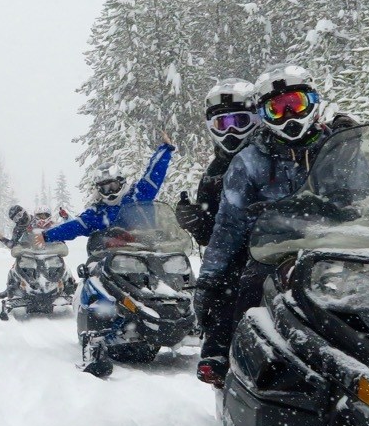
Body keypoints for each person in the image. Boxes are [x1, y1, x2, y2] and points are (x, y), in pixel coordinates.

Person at [194, 64, 353, 386]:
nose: (289, 116)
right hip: (274, 252)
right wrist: (208, 281)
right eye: (277, 109)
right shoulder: (251, 160)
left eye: (295, 105)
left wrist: (353, 141)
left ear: (313, 102)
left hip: (340, 244)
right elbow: (227, 225)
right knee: (248, 287)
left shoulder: (335, 146)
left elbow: (367, 193)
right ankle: (237, 363)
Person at [40, 137, 175, 248]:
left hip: (150, 250)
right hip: (117, 261)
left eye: (112, 185)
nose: (109, 191)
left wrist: (165, 150)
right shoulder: (98, 212)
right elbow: (75, 226)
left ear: (121, 181)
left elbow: (154, 175)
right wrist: (47, 235)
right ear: (98, 190)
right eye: (104, 188)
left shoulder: (139, 195)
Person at [176, 79, 257, 246]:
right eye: (222, 124)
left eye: (240, 122)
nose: (231, 130)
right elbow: (209, 237)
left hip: (282, 253)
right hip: (238, 262)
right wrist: (197, 223)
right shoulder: (215, 172)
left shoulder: (275, 157)